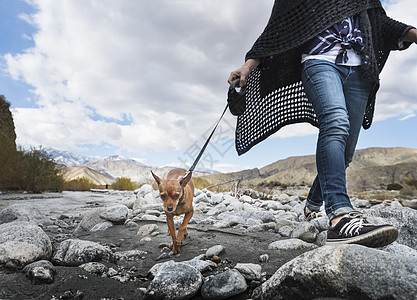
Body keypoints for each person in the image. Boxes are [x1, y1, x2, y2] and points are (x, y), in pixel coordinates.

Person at [228, 0, 417, 248]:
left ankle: (313, 203)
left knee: (346, 152)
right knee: (336, 123)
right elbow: (275, 31)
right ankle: (340, 215)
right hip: (319, 61)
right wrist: (248, 65)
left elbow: (381, 23)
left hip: (360, 70)